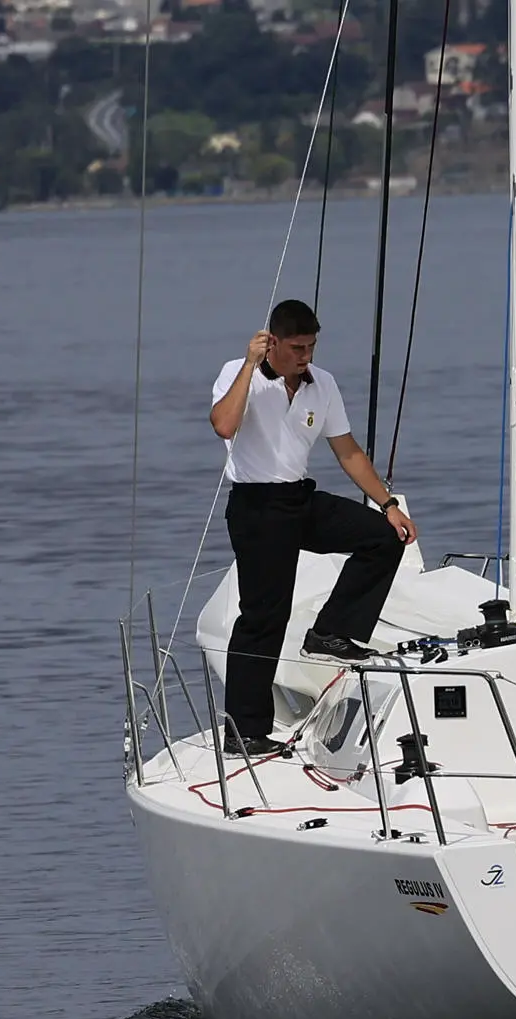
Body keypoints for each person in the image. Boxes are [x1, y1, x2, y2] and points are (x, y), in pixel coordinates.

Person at [209, 300, 415, 757]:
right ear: (273, 342)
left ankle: (330, 632)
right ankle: (243, 731)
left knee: (383, 537)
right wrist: (249, 364)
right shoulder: (239, 374)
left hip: (298, 498)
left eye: (312, 346)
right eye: (297, 347)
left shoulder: (322, 384)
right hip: (256, 507)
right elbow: (224, 425)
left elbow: (348, 453)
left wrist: (388, 504)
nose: (306, 355)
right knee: (264, 617)